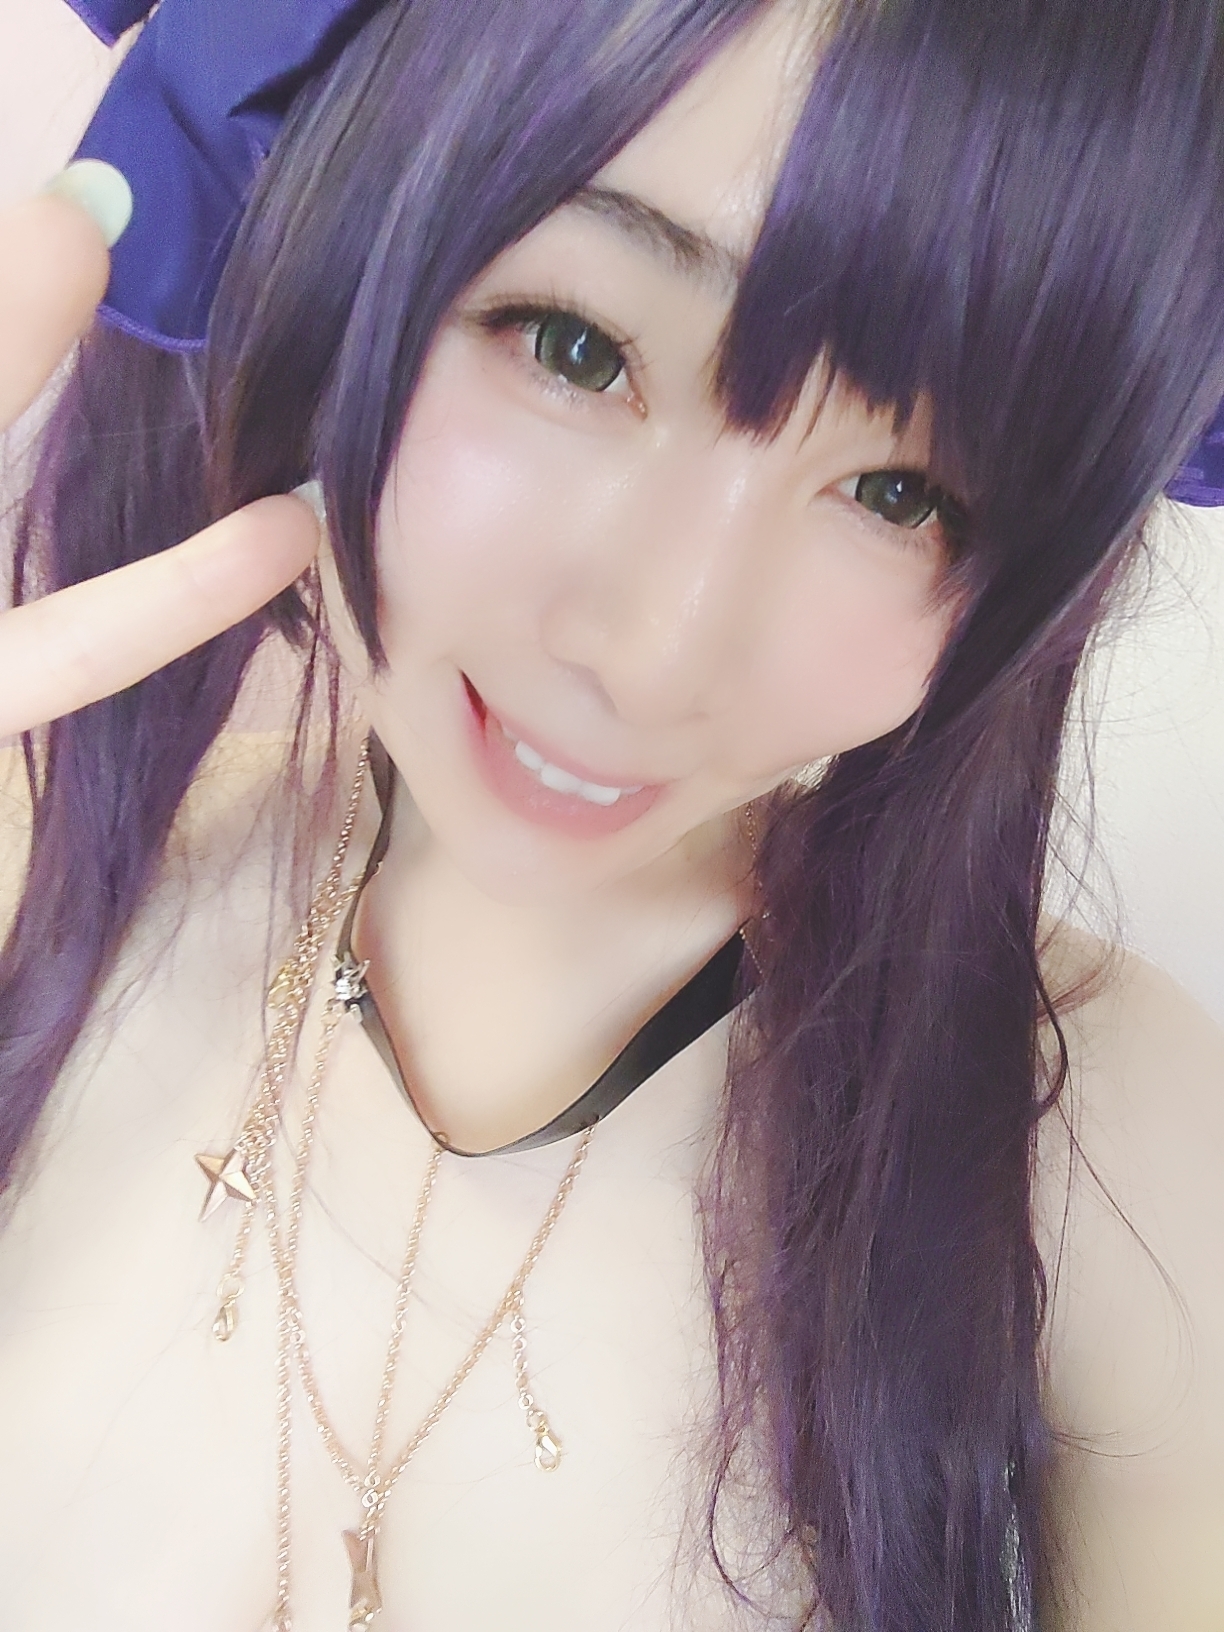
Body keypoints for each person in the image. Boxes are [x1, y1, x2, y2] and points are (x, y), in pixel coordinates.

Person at [2, 1, 1224, 1628]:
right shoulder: (44, 879)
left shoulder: (1115, 1159)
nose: (656, 656)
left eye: (903, 495)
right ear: (334, 235)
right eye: (575, 347)